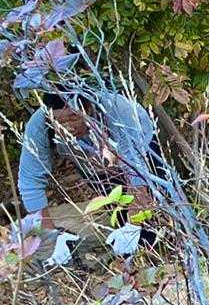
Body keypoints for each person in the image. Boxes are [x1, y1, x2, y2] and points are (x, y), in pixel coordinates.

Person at [16, 88, 161, 254]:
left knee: (153, 217)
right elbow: (30, 182)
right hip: (94, 166)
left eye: (73, 117)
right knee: (121, 218)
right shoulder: (38, 126)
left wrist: (133, 227)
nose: (68, 127)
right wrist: (50, 238)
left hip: (141, 152)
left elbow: (138, 173)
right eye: (58, 121)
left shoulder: (118, 110)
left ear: (88, 109)